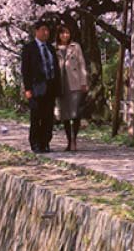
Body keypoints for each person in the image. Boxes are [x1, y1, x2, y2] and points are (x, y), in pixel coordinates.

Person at [21, 19, 58, 153]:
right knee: (36, 116)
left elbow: (56, 68)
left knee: (48, 117)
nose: (45, 33)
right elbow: (25, 70)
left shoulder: (51, 48)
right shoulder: (29, 48)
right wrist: (27, 88)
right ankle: (35, 143)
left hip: (50, 86)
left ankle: (46, 142)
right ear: (36, 31)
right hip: (36, 87)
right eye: (43, 30)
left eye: (47, 30)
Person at [55, 24, 89, 152]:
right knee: (65, 114)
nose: (65, 35)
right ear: (58, 35)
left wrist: (84, 82)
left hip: (75, 83)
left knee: (75, 113)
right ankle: (69, 141)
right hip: (61, 85)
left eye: (67, 33)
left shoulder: (75, 47)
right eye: (62, 33)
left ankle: (74, 139)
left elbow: (82, 64)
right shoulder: (54, 48)